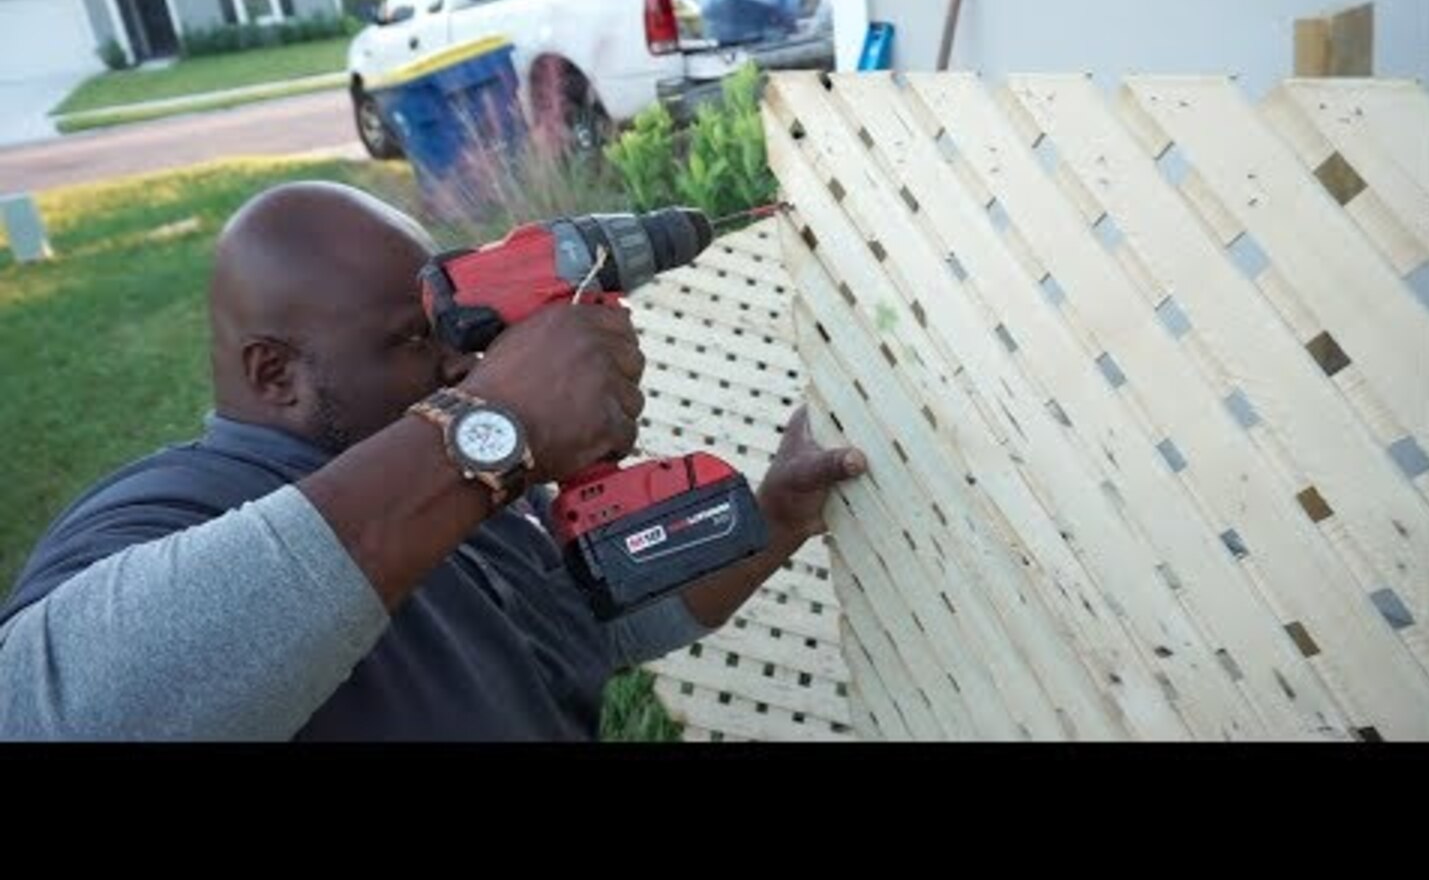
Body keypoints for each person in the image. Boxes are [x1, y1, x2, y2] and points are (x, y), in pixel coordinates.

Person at [0, 182, 866, 741]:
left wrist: (777, 515)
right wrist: (489, 425)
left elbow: (576, 629)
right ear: (276, 374)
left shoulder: (437, 494)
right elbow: (45, 714)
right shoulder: (166, 507)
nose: (457, 364)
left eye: (455, 331)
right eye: (413, 339)